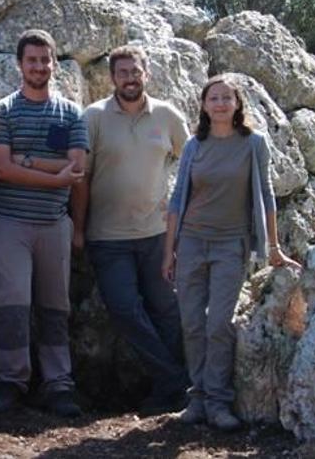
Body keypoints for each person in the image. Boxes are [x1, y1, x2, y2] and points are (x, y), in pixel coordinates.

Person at [163, 74, 300, 431]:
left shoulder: (253, 143)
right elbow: (177, 199)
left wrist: (273, 248)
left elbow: (267, 195)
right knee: (192, 323)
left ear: (238, 104)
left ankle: (219, 403)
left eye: (227, 98)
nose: (220, 103)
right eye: (214, 98)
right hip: (191, 242)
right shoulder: (195, 145)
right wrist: (169, 252)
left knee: (218, 323)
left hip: (231, 243)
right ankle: (197, 399)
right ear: (204, 106)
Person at [70, 45, 191, 415]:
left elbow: (191, 170)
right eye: (122, 72)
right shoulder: (94, 117)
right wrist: (78, 228)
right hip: (108, 238)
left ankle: (168, 390)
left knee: (166, 309)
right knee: (124, 308)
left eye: (135, 71)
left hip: (156, 234)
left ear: (146, 73)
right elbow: (81, 178)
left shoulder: (168, 116)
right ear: (112, 78)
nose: (130, 78)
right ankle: (175, 381)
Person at [0, 29, 88, 418]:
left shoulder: (73, 114)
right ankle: (11, 380)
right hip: (6, 221)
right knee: (13, 302)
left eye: (45, 60)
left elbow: (78, 168)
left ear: (54, 64)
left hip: (53, 222)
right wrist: (54, 173)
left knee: (56, 305)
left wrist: (28, 161)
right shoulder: (1, 112)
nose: (39, 67)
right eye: (32, 60)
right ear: (19, 64)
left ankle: (59, 383)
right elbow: (1, 169)